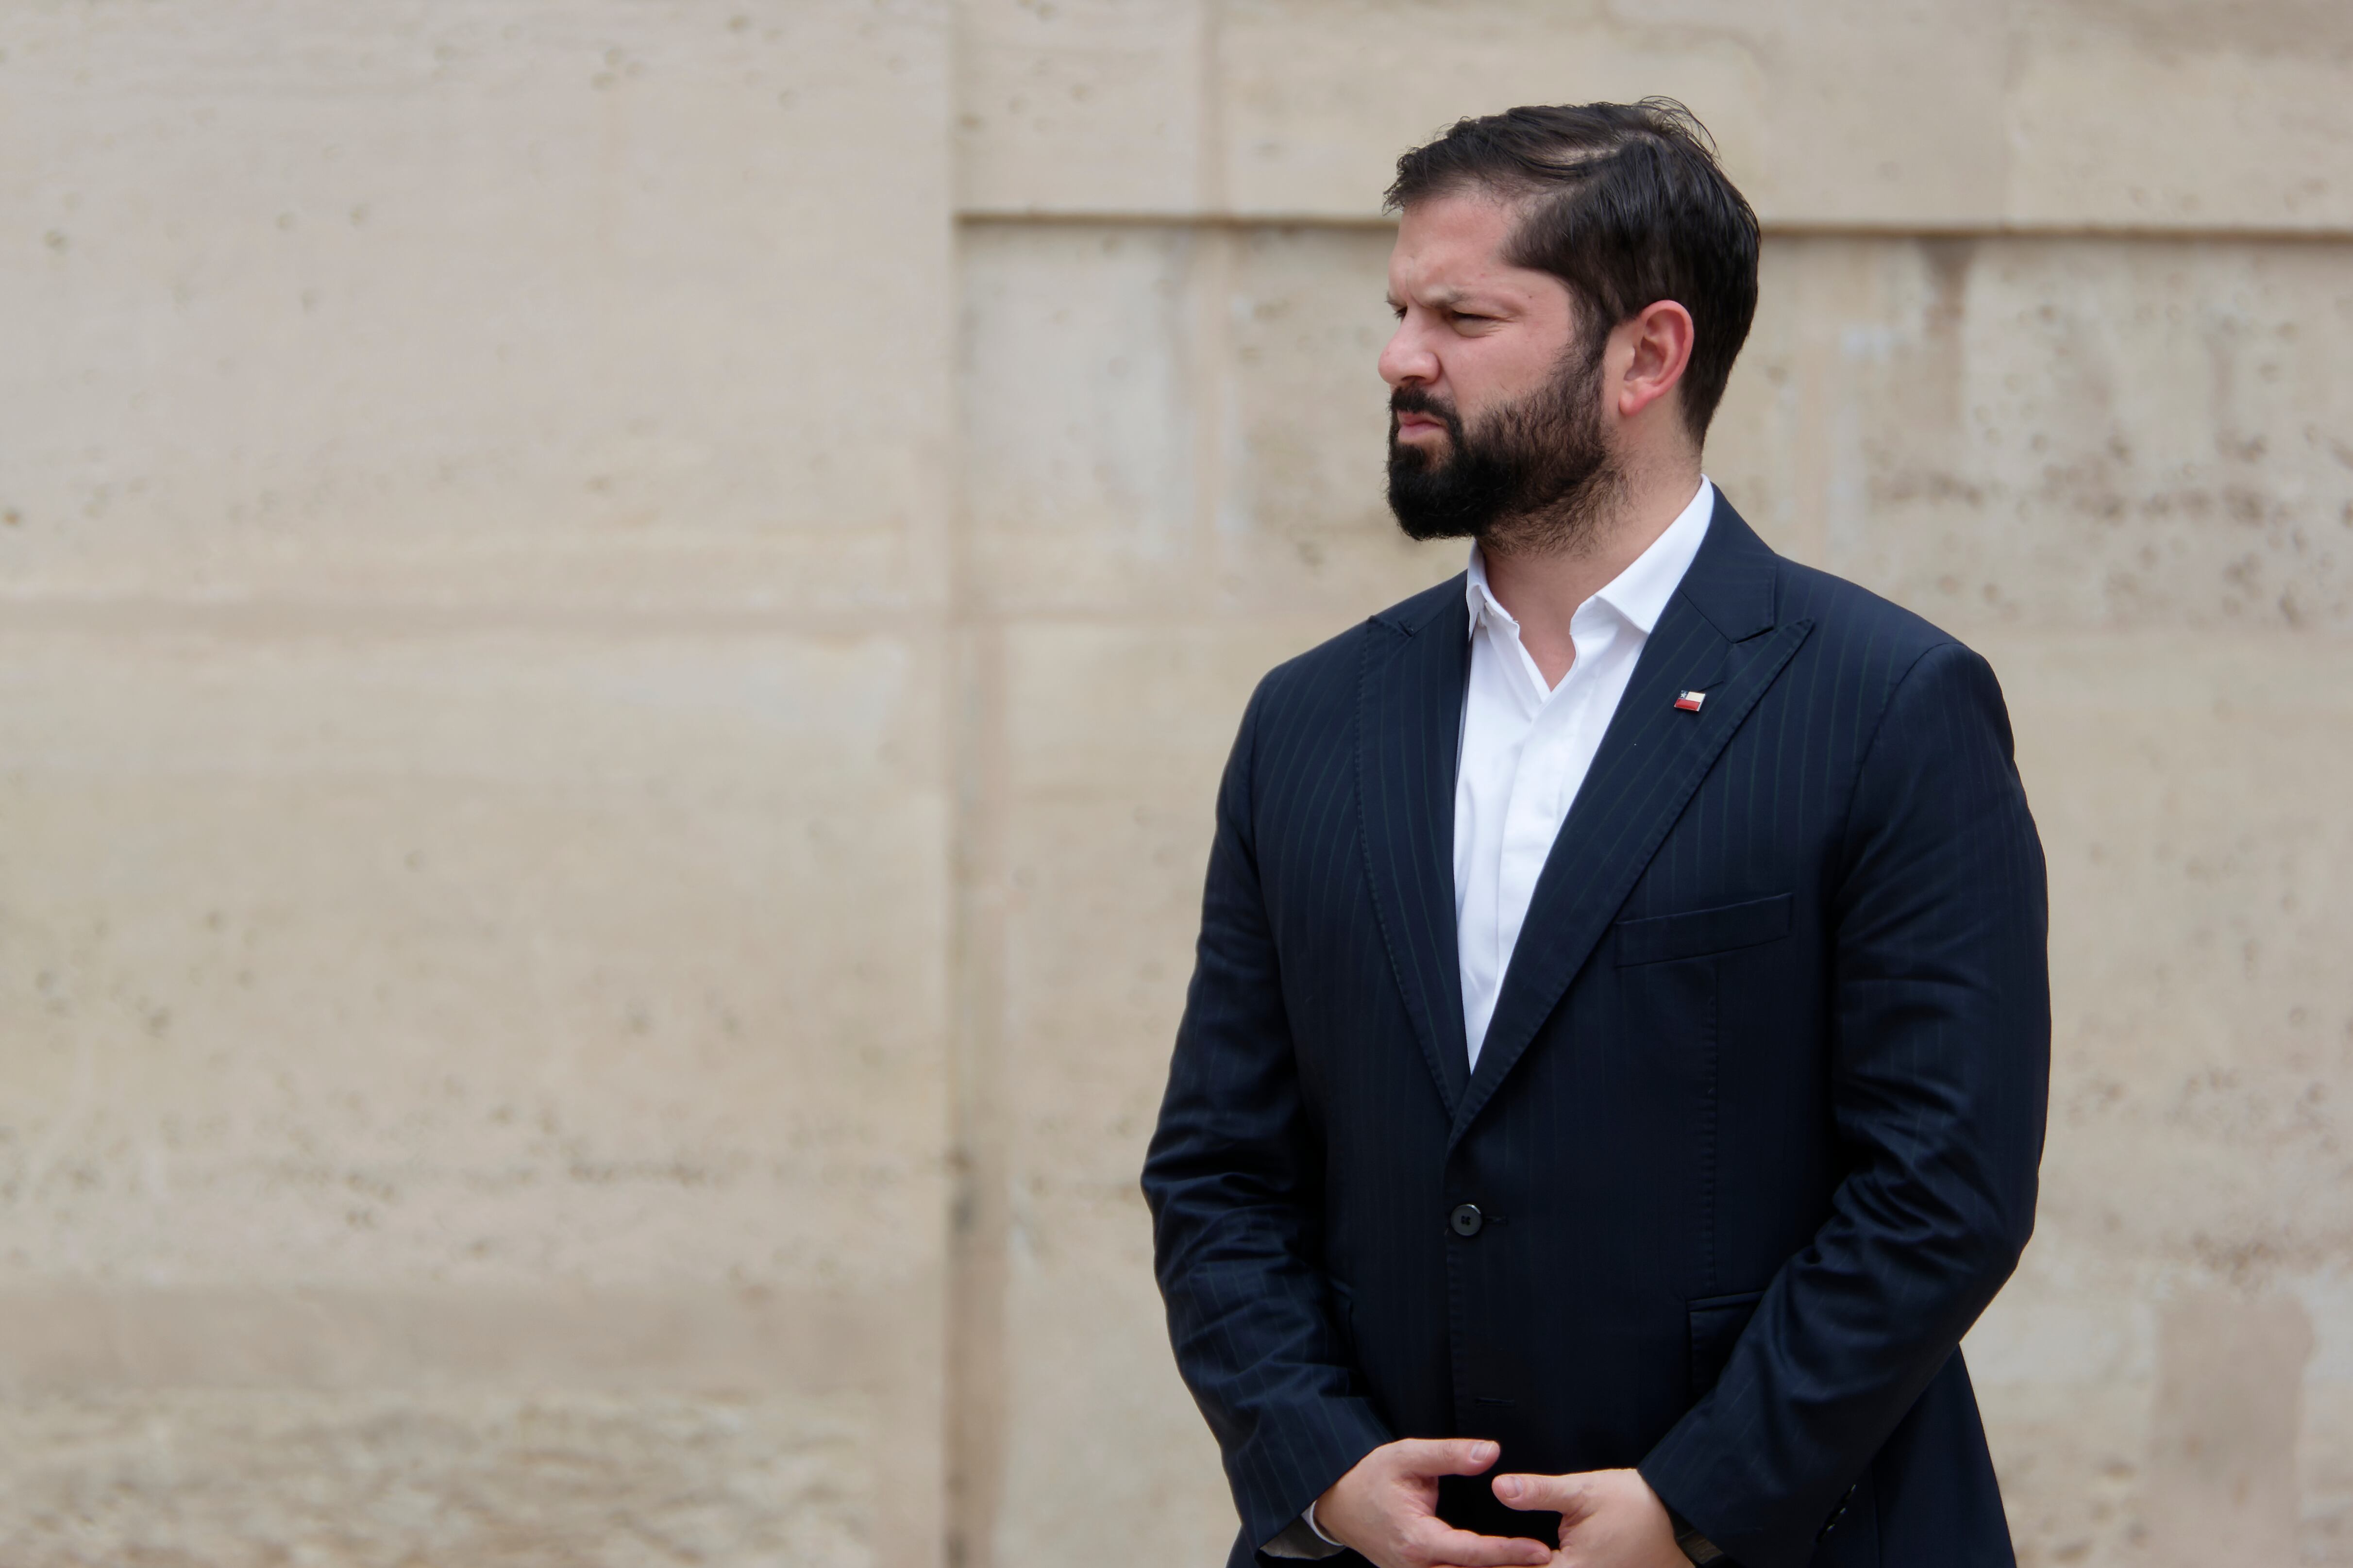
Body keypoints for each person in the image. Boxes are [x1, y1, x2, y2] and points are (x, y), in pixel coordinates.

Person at [1141, 100, 2049, 1568]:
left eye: (1463, 314)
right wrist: (1320, 1470)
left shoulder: (1890, 706)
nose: (1400, 357)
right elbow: (1220, 1172)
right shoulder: (1308, 720)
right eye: (1397, 310)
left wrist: (1696, 1503)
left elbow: (1943, 1190)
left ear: (1648, 354)